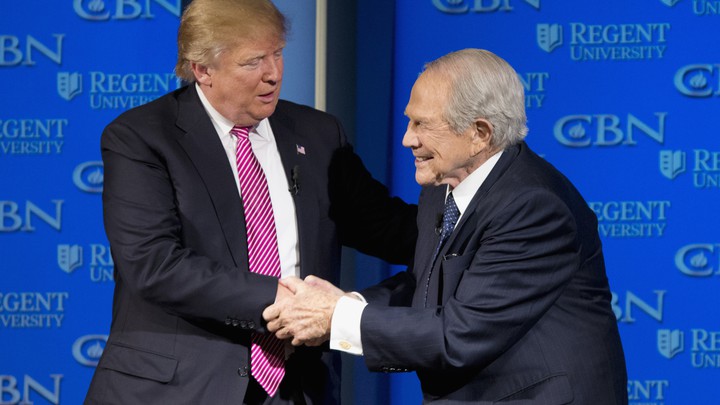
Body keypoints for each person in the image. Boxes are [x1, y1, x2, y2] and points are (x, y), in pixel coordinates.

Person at [83, 0, 416, 404]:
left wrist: (470, 224)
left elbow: (386, 227)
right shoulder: (142, 137)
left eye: (278, 53)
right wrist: (281, 300)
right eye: (253, 62)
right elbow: (153, 263)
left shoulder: (318, 133)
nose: (273, 73)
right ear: (202, 69)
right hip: (179, 388)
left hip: (298, 386)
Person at [264, 49, 628, 404]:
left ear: (479, 133)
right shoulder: (443, 187)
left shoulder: (533, 207)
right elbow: (428, 285)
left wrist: (337, 318)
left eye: (422, 124)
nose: (408, 139)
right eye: (409, 121)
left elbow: (460, 335)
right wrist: (347, 304)